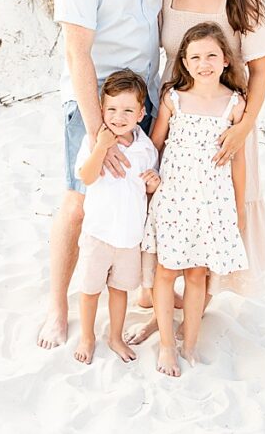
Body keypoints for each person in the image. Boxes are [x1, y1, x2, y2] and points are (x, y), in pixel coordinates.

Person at [125, 0, 265, 345]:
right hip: (175, 115)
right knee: (170, 216)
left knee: (213, 223)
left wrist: (242, 129)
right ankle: (162, 311)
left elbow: (261, 72)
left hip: (225, 126)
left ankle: (181, 321)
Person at [38, 0, 167, 349]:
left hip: (148, 99)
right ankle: (57, 305)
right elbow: (77, 52)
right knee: (78, 204)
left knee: (146, 193)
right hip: (93, 101)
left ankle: (141, 290)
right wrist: (100, 134)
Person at [142, 22, 251, 376]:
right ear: (185, 63)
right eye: (195, 57)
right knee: (165, 271)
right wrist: (147, 181)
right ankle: (166, 346)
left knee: (196, 274)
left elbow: (239, 162)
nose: (203, 63)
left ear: (224, 61)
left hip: (211, 203)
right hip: (174, 199)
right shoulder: (174, 98)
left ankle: (188, 342)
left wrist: (237, 209)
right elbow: (154, 145)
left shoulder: (235, 104)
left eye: (211, 56)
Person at [71, 70, 160, 364]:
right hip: (98, 233)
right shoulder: (92, 140)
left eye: (127, 110)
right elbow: (86, 176)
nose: (118, 117)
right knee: (90, 289)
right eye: (111, 109)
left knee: (120, 289)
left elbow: (146, 190)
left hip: (129, 237)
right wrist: (101, 147)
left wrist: (152, 183)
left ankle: (115, 337)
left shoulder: (146, 148)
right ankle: (87, 336)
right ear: (100, 108)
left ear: (141, 112)